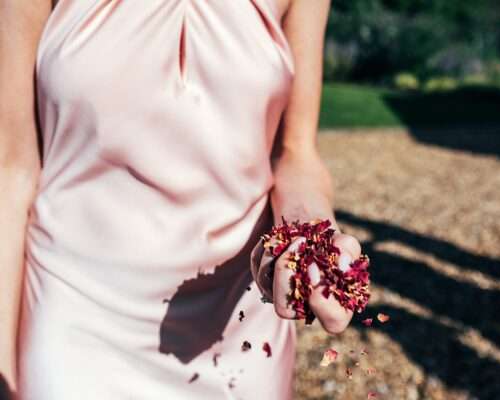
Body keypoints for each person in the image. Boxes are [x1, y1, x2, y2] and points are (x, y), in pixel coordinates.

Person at [0, 0, 363, 398]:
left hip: (236, 324)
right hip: (73, 314)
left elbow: (297, 153)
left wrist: (307, 233)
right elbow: (10, 167)